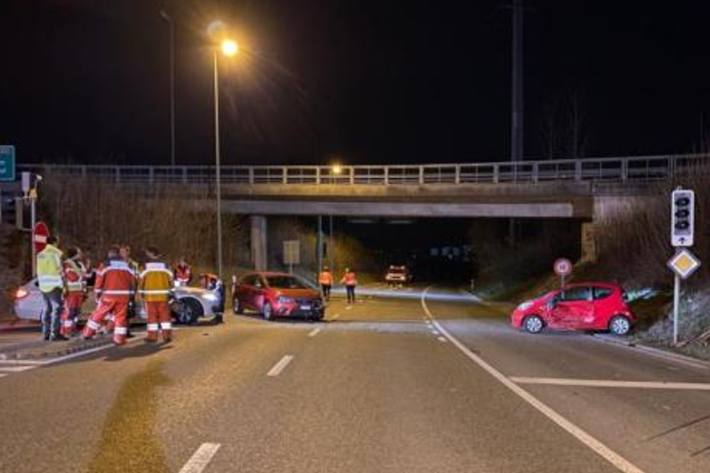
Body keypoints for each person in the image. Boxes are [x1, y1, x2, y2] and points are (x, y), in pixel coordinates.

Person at [82, 247, 136, 345]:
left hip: (109, 295)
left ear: (111, 254)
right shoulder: (127, 266)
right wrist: (131, 295)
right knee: (120, 317)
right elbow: (132, 282)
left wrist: (97, 293)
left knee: (99, 314)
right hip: (124, 295)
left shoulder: (105, 265)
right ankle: (119, 339)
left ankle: (87, 333)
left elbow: (99, 280)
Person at [139, 247, 174, 343]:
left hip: (150, 296)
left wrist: (140, 293)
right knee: (165, 317)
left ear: (151, 254)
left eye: (147, 253)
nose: (146, 255)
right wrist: (172, 291)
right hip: (163, 296)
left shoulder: (145, 266)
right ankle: (167, 336)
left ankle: (152, 337)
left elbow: (141, 281)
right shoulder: (166, 266)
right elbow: (171, 280)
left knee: (152, 317)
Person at [36, 236, 66, 341]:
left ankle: (46, 333)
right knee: (56, 309)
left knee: (47, 309)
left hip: (43, 286)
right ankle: (55, 334)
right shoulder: (55, 254)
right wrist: (63, 283)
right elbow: (59, 270)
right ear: (54, 243)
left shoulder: (40, 255)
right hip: (54, 285)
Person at [60, 247, 86, 337]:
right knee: (71, 312)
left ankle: (73, 328)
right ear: (75, 254)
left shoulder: (79, 264)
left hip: (79, 291)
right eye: (79, 252)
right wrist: (80, 276)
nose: (81, 254)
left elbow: (84, 276)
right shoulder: (68, 264)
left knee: (76, 312)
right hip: (71, 292)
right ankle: (66, 330)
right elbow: (72, 277)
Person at [120, 244, 140, 338]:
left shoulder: (134, 264)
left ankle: (126, 330)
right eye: (121, 252)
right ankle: (121, 331)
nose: (122, 254)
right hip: (119, 290)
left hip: (130, 290)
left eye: (124, 252)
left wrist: (135, 289)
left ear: (128, 252)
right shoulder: (117, 263)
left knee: (129, 311)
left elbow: (137, 277)